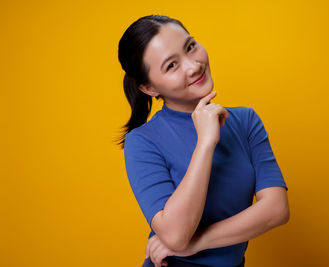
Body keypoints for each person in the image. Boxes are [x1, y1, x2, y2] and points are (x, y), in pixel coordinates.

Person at [117, 15, 290, 267]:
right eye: (171, 65)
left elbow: (276, 210)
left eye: (190, 47)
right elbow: (176, 234)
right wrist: (206, 142)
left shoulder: (245, 120)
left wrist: (195, 243)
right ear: (149, 88)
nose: (193, 65)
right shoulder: (142, 142)